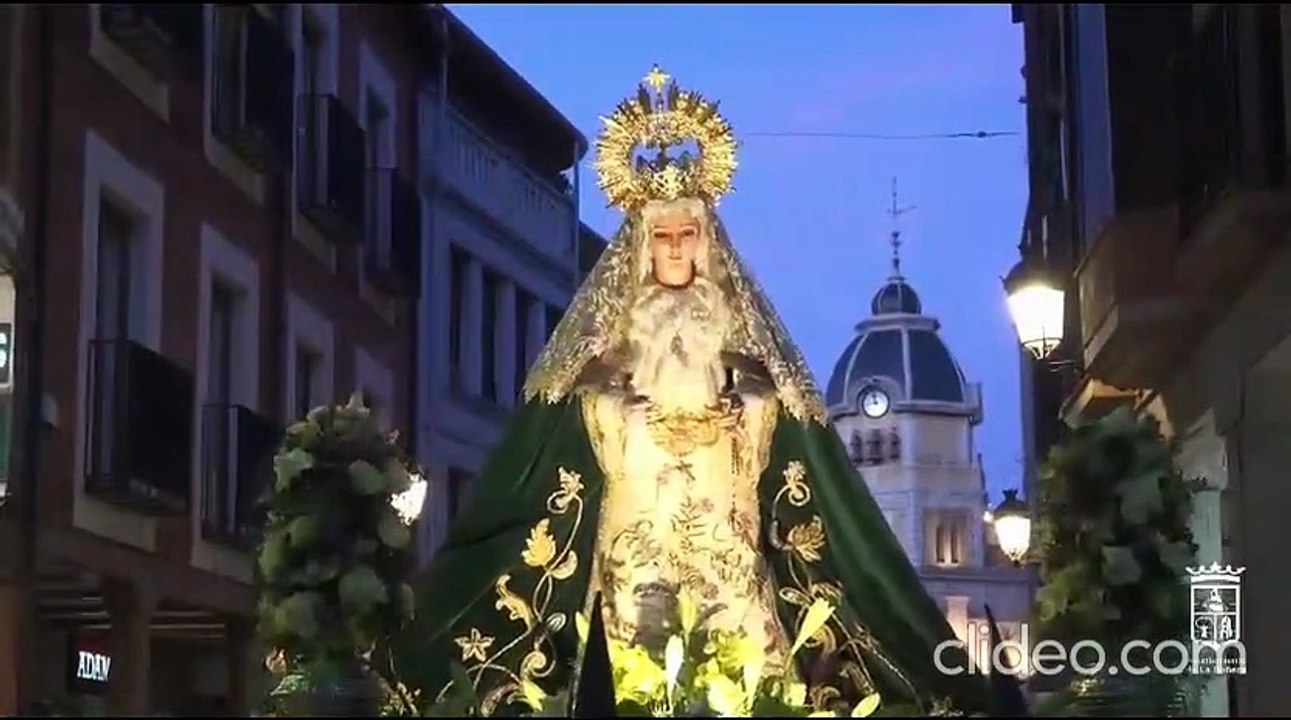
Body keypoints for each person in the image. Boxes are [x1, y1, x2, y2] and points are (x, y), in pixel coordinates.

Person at [394, 67, 991, 717]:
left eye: (686, 237)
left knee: (733, 641)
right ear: (642, 249)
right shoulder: (608, 356)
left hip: (720, 533)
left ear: (705, 247)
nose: (675, 252)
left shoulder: (740, 351)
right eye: (662, 238)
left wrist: (751, 408)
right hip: (638, 534)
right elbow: (565, 441)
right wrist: (613, 408)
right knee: (639, 649)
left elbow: (782, 438)